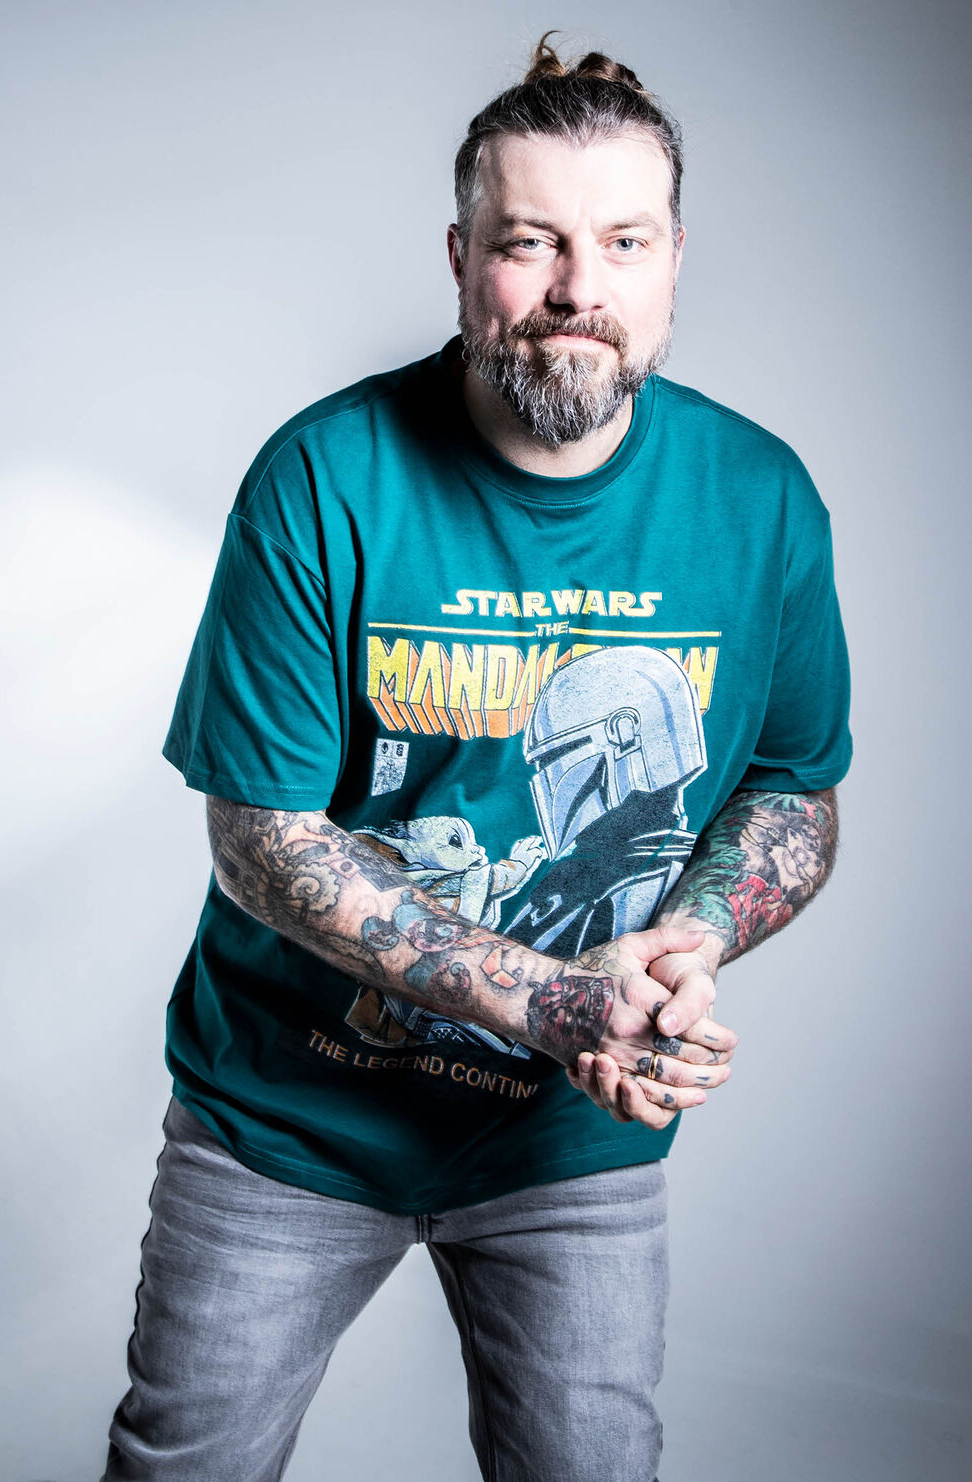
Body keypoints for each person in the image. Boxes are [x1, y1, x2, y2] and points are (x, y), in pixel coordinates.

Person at [102, 30, 852, 1482]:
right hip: (288, 1121)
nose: (579, 288)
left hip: (568, 1144)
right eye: (530, 242)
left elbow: (793, 787)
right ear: (461, 259)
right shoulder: (325, 476)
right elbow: (263, 837)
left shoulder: (761, 498)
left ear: (675, 260)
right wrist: (550, 998)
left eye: (623, 241)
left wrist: (695, 936)